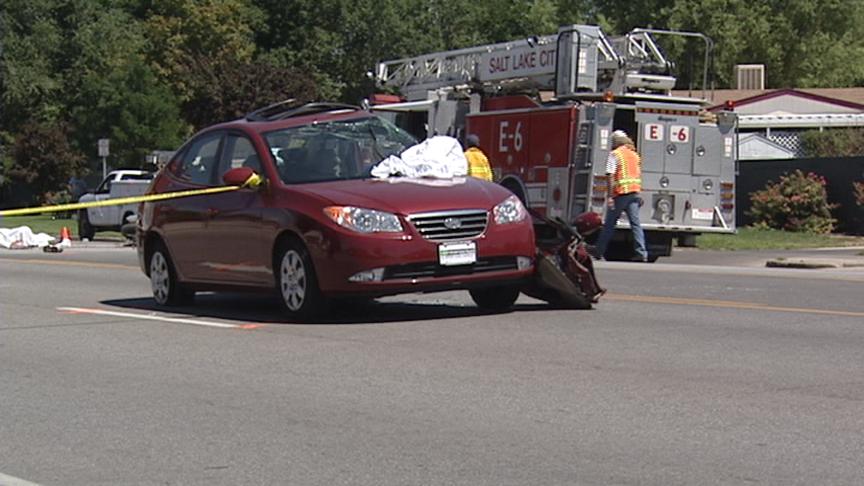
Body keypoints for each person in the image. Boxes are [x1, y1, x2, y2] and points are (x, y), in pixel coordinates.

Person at [592, 130, 648, 262]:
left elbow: (610, 175)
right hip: (634, 193)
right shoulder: (635, 155)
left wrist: (610, 195)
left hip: (621, 194)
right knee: (636, 225)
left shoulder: (614, 154)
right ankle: (642, 252)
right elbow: (638, 174)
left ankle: (598, 251)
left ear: (615, 142)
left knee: (609, 224)